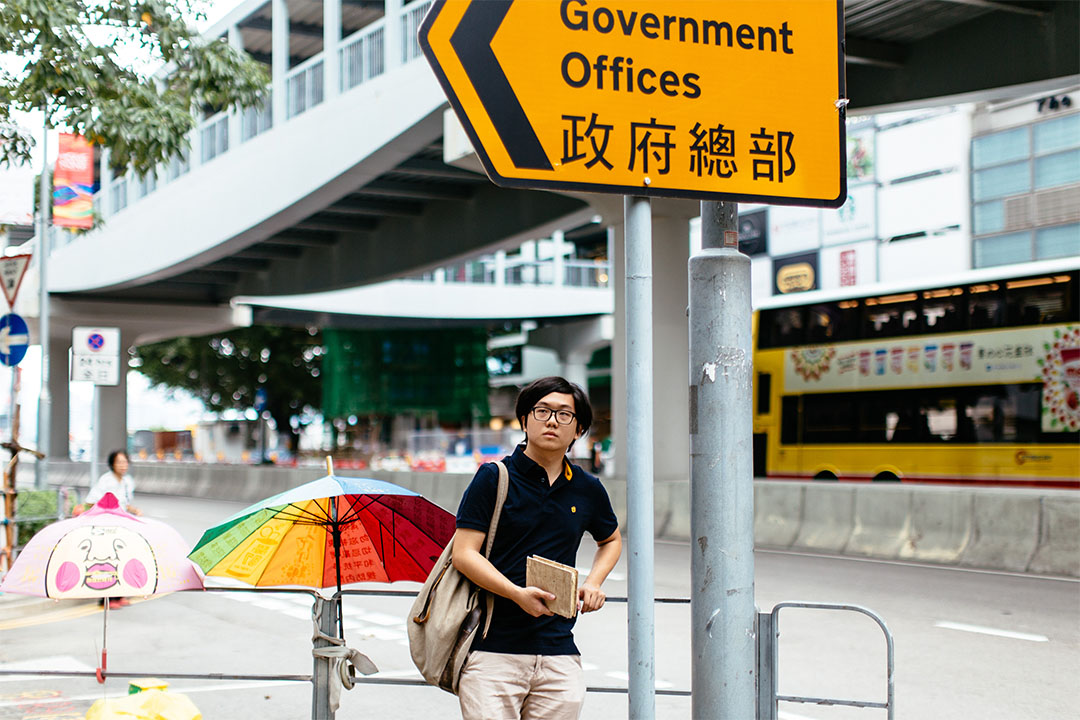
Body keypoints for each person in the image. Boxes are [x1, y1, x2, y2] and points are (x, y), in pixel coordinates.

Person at [452, 377, 622, 720]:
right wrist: (516, 594)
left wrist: (594, 583)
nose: (552, 421)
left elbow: (611, 540)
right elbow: (464, 553)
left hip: (559, 653)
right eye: (542, 410)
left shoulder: (588, 489)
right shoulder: (493, 477)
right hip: (490, 651)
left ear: (579, 430)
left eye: (564, 414)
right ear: (524, 420)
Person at [84, 450, 139, 515]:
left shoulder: (127, 481)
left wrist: (135, 510)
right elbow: (90, 501)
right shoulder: (106, 480)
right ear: (113, 464)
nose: (123, 465)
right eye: (119, 462)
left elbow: (125, 504)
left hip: (122, 518)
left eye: (125, 462)